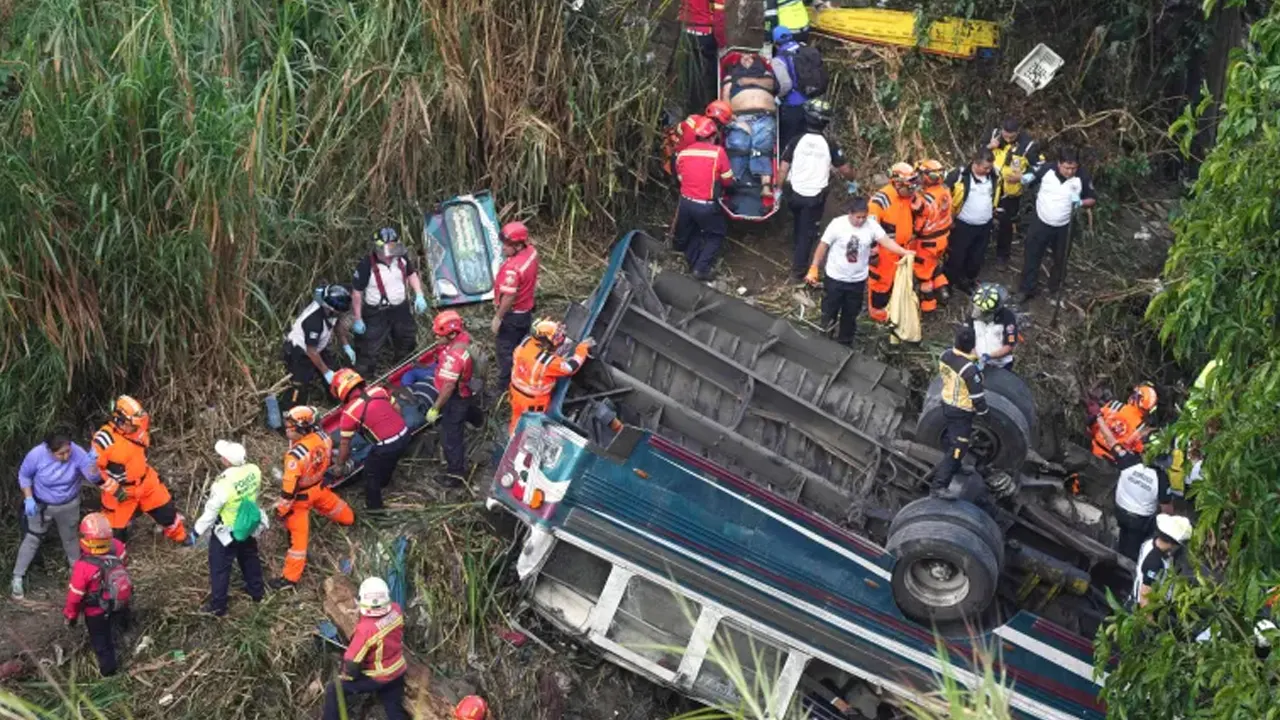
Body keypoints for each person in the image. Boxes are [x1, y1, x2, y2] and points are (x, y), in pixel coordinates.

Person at [804, 197, 911, 346]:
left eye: (864, 217)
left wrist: (904, 252)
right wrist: (814, 267)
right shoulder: (837, 225)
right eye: (858, 217)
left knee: (850, 314)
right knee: (829, 310)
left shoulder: (871, 226)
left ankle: (845, 343)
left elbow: (886, 241)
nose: (861, 221)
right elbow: (823, 246)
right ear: (850, 213)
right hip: (836, 278)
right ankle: (824, 338)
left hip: (857, 280)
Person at [91, 396, 192, 545]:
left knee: (167, 513)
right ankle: (116, 560)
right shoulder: (103, 440)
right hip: (120, 491)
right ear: (120, 421)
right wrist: (114, 488)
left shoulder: (138, 430)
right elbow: (93, 470)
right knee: (115, 533)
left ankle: (182, 538)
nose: (138, 427)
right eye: (133, 424)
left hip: (146, 483)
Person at [272, 406, 354, 589]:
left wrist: (281, 510)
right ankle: (349, 520)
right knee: (344, 514)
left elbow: (288, 491)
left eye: (289, 426)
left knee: (298, 543)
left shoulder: (295, 456)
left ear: (301, 428)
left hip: (300, 500)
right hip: (319, 488)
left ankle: (289, 579)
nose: (286, 429)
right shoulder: (324, 437)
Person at [12, 431, 99, 600]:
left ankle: (78, 577)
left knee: (71, 539)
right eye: (61, 454)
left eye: (68, 452)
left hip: (68, 503)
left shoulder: (77, 452)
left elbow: (93, 478)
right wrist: (28, 498)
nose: (66, 456)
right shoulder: (37, 455)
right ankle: (17, 577)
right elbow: (24, 475)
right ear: (50, 451)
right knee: (32, 538)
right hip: (41, 504)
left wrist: (93, 463)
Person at [778, 98, 855, 280]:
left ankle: (797, 248)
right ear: (826, 122)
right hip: (814, 198)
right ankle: (798, 272)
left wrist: (779, 189)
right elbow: (845, 170)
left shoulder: (796, 140)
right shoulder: (830, 144)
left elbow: (783, 168)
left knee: (798, 223)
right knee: (807, 233)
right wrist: (853, 177)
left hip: (794, 194)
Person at [193, 441, 267, 616]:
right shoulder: (254, 470)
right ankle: (257, 592)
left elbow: (211, 512)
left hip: (227, 530)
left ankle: (218, 606)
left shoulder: (223, 484)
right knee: (249, 557)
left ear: (227, 461)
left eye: (223, 457)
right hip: (248, 525)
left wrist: (196, 531)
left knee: (219, 567)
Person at [1015, 147, 1096, 304]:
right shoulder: (1047, 169)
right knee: (1032, 254)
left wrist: (1080, 202)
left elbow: (1092, 199)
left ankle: (1054, 287)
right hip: (1042, 221)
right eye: (1067, 167)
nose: (1070, 171)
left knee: (1061, 258)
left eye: (1073, 168)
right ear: (1059, 164)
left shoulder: (1082, 177)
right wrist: (1028, 177)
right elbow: (1033, 176)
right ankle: (1027, 289)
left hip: (1064, 225)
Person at [322, 576, 407, 720]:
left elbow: (352, 661)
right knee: (394, 708)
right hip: (398, 670)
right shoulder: (396, 610)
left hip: (378, 676)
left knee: (334, 690)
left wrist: (348, 677)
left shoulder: (365, 629)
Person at [351, 228, 429, 378]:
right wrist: (358, 318)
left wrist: (419, 294)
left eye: (393, 247)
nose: (390, 253)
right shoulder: (366, 265)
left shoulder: (401, 258)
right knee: (369, 346)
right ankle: (365, 378)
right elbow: (357, 293)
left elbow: (411, 274)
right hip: (376, 312)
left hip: (400, 308)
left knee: (407, 338)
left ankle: (403, 369)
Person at [331, 369, 410, 511]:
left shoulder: (349, 413)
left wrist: (340, 465)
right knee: (390, 460)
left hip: (387, 445)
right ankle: (384, 482)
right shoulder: (378, 390)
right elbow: (397, 408)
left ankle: (375, 510)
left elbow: (345, 445)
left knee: (370, 474)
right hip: (405, 433)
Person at [63, 512, 130, 677]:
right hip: (119, 599)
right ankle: (125, 633)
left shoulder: (83, 567)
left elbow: (75, 596)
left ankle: (109, 672)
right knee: (117, 623)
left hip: (96, 612)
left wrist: (70, 616)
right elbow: (124, 562)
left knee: (101, 641)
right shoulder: (117, 546)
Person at [673, 117, 735, 281]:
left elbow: (680, 177)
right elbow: (727, 179)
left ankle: (692, 262)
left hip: (685, 203)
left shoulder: (683, 153)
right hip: (705, 205)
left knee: (692, 231)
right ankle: (701, 269)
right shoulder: (717, 152)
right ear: (713, 136)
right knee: (716, 234)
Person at [509, 320, 595, 436]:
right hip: (534, 403)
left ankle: (512, 437)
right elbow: (570, 367)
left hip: (516, 394)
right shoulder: (546, 362)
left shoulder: (526, 343)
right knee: (532, 430)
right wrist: (582, 349)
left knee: (516, 421)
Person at [931, 325, 987, 498]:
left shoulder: (945, 355)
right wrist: (985, 414)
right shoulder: (970, 370)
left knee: (951, 438)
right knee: (959, 447)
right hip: (961, 410)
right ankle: (939, 486)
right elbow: (977, 396)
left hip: (947, 403)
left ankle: (957, 466)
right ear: (972, 345)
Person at [720, 53, 778, 215]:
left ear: (756, 62)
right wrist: (734, 120)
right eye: (743, 58)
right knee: (738, 145)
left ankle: (765, 187)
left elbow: (772, 86)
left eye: (750, 57)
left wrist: (750, 81)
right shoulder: (732, 77)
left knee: (762, 146)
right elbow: (725, 98)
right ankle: (732, 185)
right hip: (740, 117)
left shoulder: (765, 75)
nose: (746, 58)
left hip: (764, 116)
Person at [282, 284, 354, 410]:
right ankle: (291, 414)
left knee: (335, 376)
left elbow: (337, 324)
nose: (339, 314)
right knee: (299, 387)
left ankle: (337, 402)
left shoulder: (331, 311)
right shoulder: (314, 321)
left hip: (317, 347)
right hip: (301, 352)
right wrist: (325, 372)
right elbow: (311, 351)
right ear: (330, 308)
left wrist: (346, 345)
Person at [426, 311, 475, 488]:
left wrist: (436, 408)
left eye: (440, 336)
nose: (436, 338)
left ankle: (456, 474)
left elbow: (448, 387)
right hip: (467, 389)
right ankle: (478, 419)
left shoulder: (454, 356)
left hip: (456, 398)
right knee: (470, 411)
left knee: (450, 437)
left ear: (452, 334)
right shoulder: (464, 338)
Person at [491, 221, 539, 398]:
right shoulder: (532, 253)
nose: (503, 248)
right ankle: (522, 374)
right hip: (526, 312)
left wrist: (498, 318)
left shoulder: (513, 269)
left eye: (507, 245)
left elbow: (509, 297)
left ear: (518, 245)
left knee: (505, 352)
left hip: (512, 317)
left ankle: (504, 388)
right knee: (522, 347)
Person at [986, 117, 1044, 266]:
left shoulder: (1028, 145)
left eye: (1011, 136)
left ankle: (1002, 257)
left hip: (1010, 192)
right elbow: (979, 155)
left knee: (1005, 224)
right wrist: (989, 146)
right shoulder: (994, 135)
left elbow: (1039, 167)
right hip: (988, 186)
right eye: (1005, 135)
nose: (1007, 138)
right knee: (983, 218)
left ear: (1018, 132)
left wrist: (1023, 178)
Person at [866, 163, 919, 322]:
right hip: (884, 252)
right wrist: (873, 251)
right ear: (897, 182)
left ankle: (894, 308)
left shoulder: (910, 197)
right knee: (881, 283)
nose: (911, 190)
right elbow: (870, 227)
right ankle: (877, 313)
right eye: (908, 186)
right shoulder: (880, 201)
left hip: (904, 248)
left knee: (899, 281)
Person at [943, 148, 998, 293]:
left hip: (984, 225)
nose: (988, 170)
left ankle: (967, 281)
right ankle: (948, 284)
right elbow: (944, 195)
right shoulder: (959, 175)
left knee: (977, 256)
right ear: (975, 163)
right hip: (963, 225)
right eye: (985, 168)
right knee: (956, 256)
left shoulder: (993, 175)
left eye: (990, 167)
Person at [1112, 448, 1174, 561]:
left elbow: (1112, 442)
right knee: (1133, 549)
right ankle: (1127, 566)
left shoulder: (1130, 461)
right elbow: (1166, 508)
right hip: (1139, 521)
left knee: (1124, 535)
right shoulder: (1161, 478)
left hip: (1120, 511)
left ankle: (1119, 553)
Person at [770, 27, 825, 150]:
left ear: (776, 44)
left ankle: (790, 168)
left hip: (793, 106)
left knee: (790, 142)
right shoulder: (807, 50)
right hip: (812, 104)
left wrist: (778, 98)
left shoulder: (778, 60)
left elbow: (785, 84)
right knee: (810, 141)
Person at [911, 159, 952, 312]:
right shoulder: (945, 191)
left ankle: (929, 306)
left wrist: (914, 232)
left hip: (927, 242)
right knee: (935, 266)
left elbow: (919, 222)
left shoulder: (924, 200)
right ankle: (943, 291)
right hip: (943, 237)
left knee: (923, 275)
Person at [1131, 514, 1192, 608]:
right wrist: (1150, 621)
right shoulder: (1154, 562)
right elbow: (1145, 597)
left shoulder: (1152, 542)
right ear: (1172, 544)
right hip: (1145, 606)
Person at [679, 0, 725, 112]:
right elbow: (719, 15)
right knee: (710, 78)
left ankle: (690, 111)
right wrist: (721, 41)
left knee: (689, 78)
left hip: (686, 33)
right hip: (705, 35)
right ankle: (709, 111)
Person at [1091, 383, 1157, 461]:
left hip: (1093, 449)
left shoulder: (1114, 405)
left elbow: (1095, 424)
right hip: (1114, 463)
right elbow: (1138, 451)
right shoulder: (1142, 429)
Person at [969, 283, 1019, 371]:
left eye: (983, 312)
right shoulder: (973, 315)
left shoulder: (1007, 317)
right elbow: (968, 340)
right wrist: (976, 360)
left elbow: (1009, 345)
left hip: (1001, 364)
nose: (978, 314)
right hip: (978, 361)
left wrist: (990, 356)